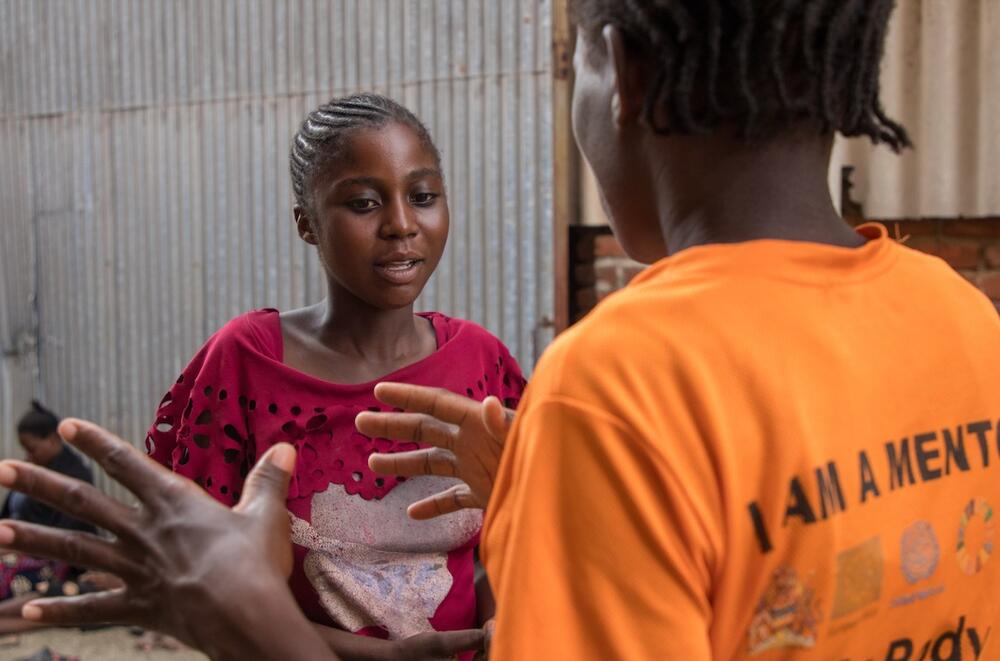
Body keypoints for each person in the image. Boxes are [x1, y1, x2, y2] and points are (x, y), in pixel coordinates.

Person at [2, 0, 999, 660]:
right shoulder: (963, 320)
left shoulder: (622, 383)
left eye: (422, 194)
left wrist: (265, 634)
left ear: (619, 70)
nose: (399, 223)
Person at [144, 93, 525, 659]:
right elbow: (202, 587)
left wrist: (502, 625)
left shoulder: (482, 363)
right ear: (308, 223)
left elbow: (520, 535)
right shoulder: (246, 363)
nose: (401, 225)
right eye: (364, 203)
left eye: (422, 197)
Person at [0, 403, 96, 635]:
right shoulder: (33, 471)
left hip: (50, 560)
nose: (28, 456)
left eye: (32, 448)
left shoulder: (73, 479)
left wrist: (14, 546)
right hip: (19, 549)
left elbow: (64, 537)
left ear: (53, 439)